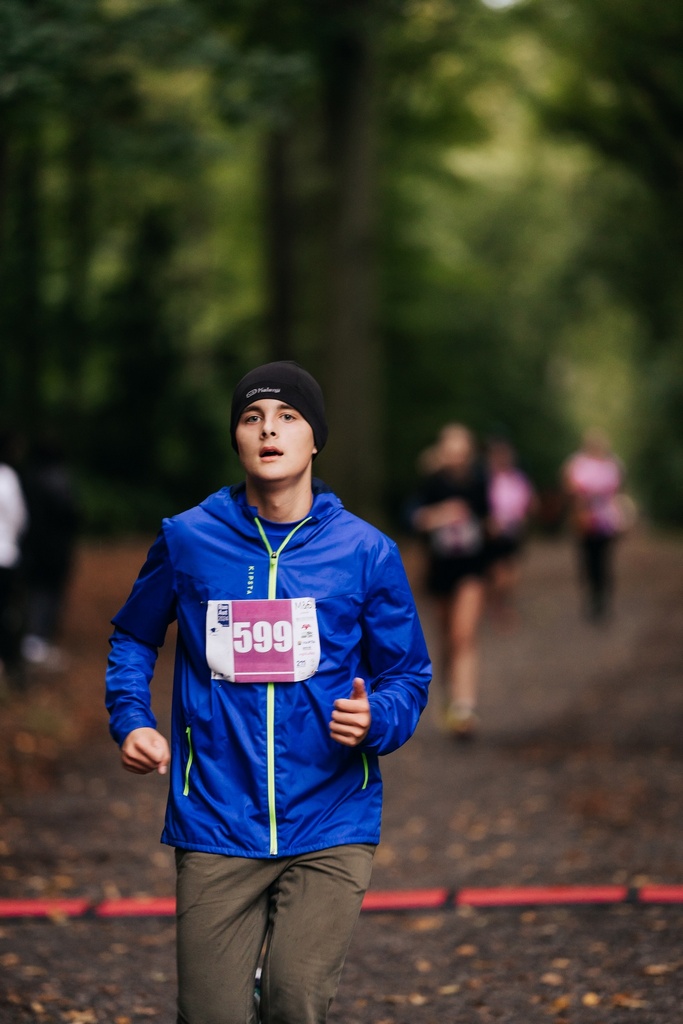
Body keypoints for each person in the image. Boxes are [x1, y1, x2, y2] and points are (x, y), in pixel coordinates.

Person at [105, 361, 431, 1024]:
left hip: (331, 816)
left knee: (295, 1003)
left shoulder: (365, 551)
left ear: (315, 440)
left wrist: (377, 718)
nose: (268, 430)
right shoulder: (188, 539)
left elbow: (408, 674)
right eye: (252, 418)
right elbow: (134, 637)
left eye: (287, 416)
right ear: (236, 439)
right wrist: (131, 718)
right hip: (216, 818)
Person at [409, 423, 489, 740]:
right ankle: (450, 695)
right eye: (451, 452)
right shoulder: (431, 484)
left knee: (463, 635)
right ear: (443, 453)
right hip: (440, 570)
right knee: (446, 639)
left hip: (472, 569)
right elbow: (415, 519)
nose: (457, 458)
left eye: (462, 453)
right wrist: (442, 515)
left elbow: (489, 522)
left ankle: (465, 707)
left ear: (470, 454)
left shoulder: (480, 483)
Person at [20, 434, 80, 670]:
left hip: (30, 549)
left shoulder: (27, 478)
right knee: (49, 594)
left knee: (34, 593)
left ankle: (32, 640)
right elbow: (71, 514)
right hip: (55, 550)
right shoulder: (58, 480)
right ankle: (38, 641)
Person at [562, 428, 626, 622]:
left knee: (604, 560)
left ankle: (602, 599)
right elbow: (569, 486)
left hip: (606, 521)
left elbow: (617, 490)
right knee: (588, 561)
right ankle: (592, 596)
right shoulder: (577, 463)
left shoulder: (612, 465)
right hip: (584, 520)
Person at [485, 437, 536, 630]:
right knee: (498, 575)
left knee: (512, 574)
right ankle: (497, 607)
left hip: (514, 532)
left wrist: (525, 517)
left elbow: (529, 501)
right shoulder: (486, 479)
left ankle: (504, 606)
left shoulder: (518, 478)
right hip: (493, 535)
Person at [0, 429, 29, 688]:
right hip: (5, 556)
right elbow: (20, 518)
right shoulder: (8, 478)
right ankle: (11, 667)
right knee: (8, 614)